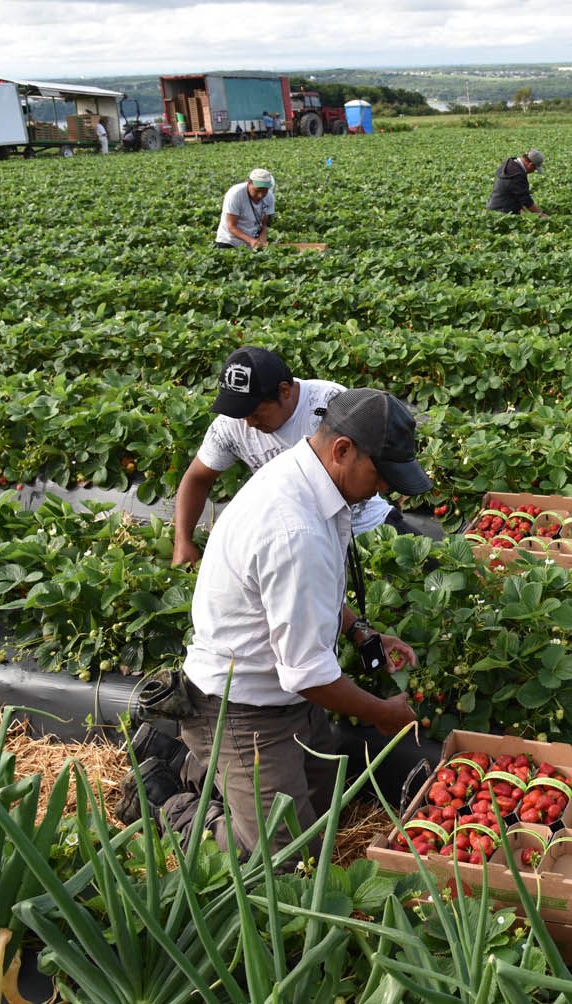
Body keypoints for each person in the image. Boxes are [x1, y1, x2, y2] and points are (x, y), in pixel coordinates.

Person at [123, 388, 433, 855]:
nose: (384, 489)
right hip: (240, 708)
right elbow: (308, 673)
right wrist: (382, 713)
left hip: (285, 696)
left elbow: (306, 594)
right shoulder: (294, 528)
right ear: (343, 450)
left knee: (328, 812)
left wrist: (357, 628)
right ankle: (168, 799)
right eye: (381, 474)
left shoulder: (311, 479)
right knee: (285, 859)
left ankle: (186, 760)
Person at [171, 346, 402, 567]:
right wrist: (183, 541)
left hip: (364, 526)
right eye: (240, 413)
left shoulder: (332, 404)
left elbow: (373, 469)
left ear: (284, 390)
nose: (248, 423)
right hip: (294, 541)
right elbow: (197, 478)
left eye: (255, 412)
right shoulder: (233, 423)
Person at [215, 168, 275, 250]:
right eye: (257, 190)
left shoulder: (269, 196)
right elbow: (231, 226)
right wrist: (251, 240)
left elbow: (264, 223)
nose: (260, 195)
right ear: (249, 183)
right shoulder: (235, 194)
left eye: (265, 191)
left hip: (251, 243)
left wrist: (262, 238)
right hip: (229, 242)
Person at [486, 149, 546, 214]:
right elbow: (526, 199)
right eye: (534, 168)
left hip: (493, 208)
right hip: (502, 213)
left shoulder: (510, 164)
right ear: (530, 165)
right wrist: (540, 214)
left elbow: (514, 194)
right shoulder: (517, 175)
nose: (533, 171)